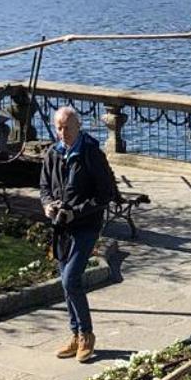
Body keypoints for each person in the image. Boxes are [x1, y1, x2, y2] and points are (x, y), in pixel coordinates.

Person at [39, 105, 121, 362]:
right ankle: (75, 334)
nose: (62, 133)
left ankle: (87, 335)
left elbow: (105, 194)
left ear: (78, 127)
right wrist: (47, 205)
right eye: (58, 127)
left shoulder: (90, 153)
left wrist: (76, 211)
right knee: (66, 282)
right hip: (61, 227)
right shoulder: (53, 153)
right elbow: (44, 186)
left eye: (67, 128)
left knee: (70, 280)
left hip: (85, 226)